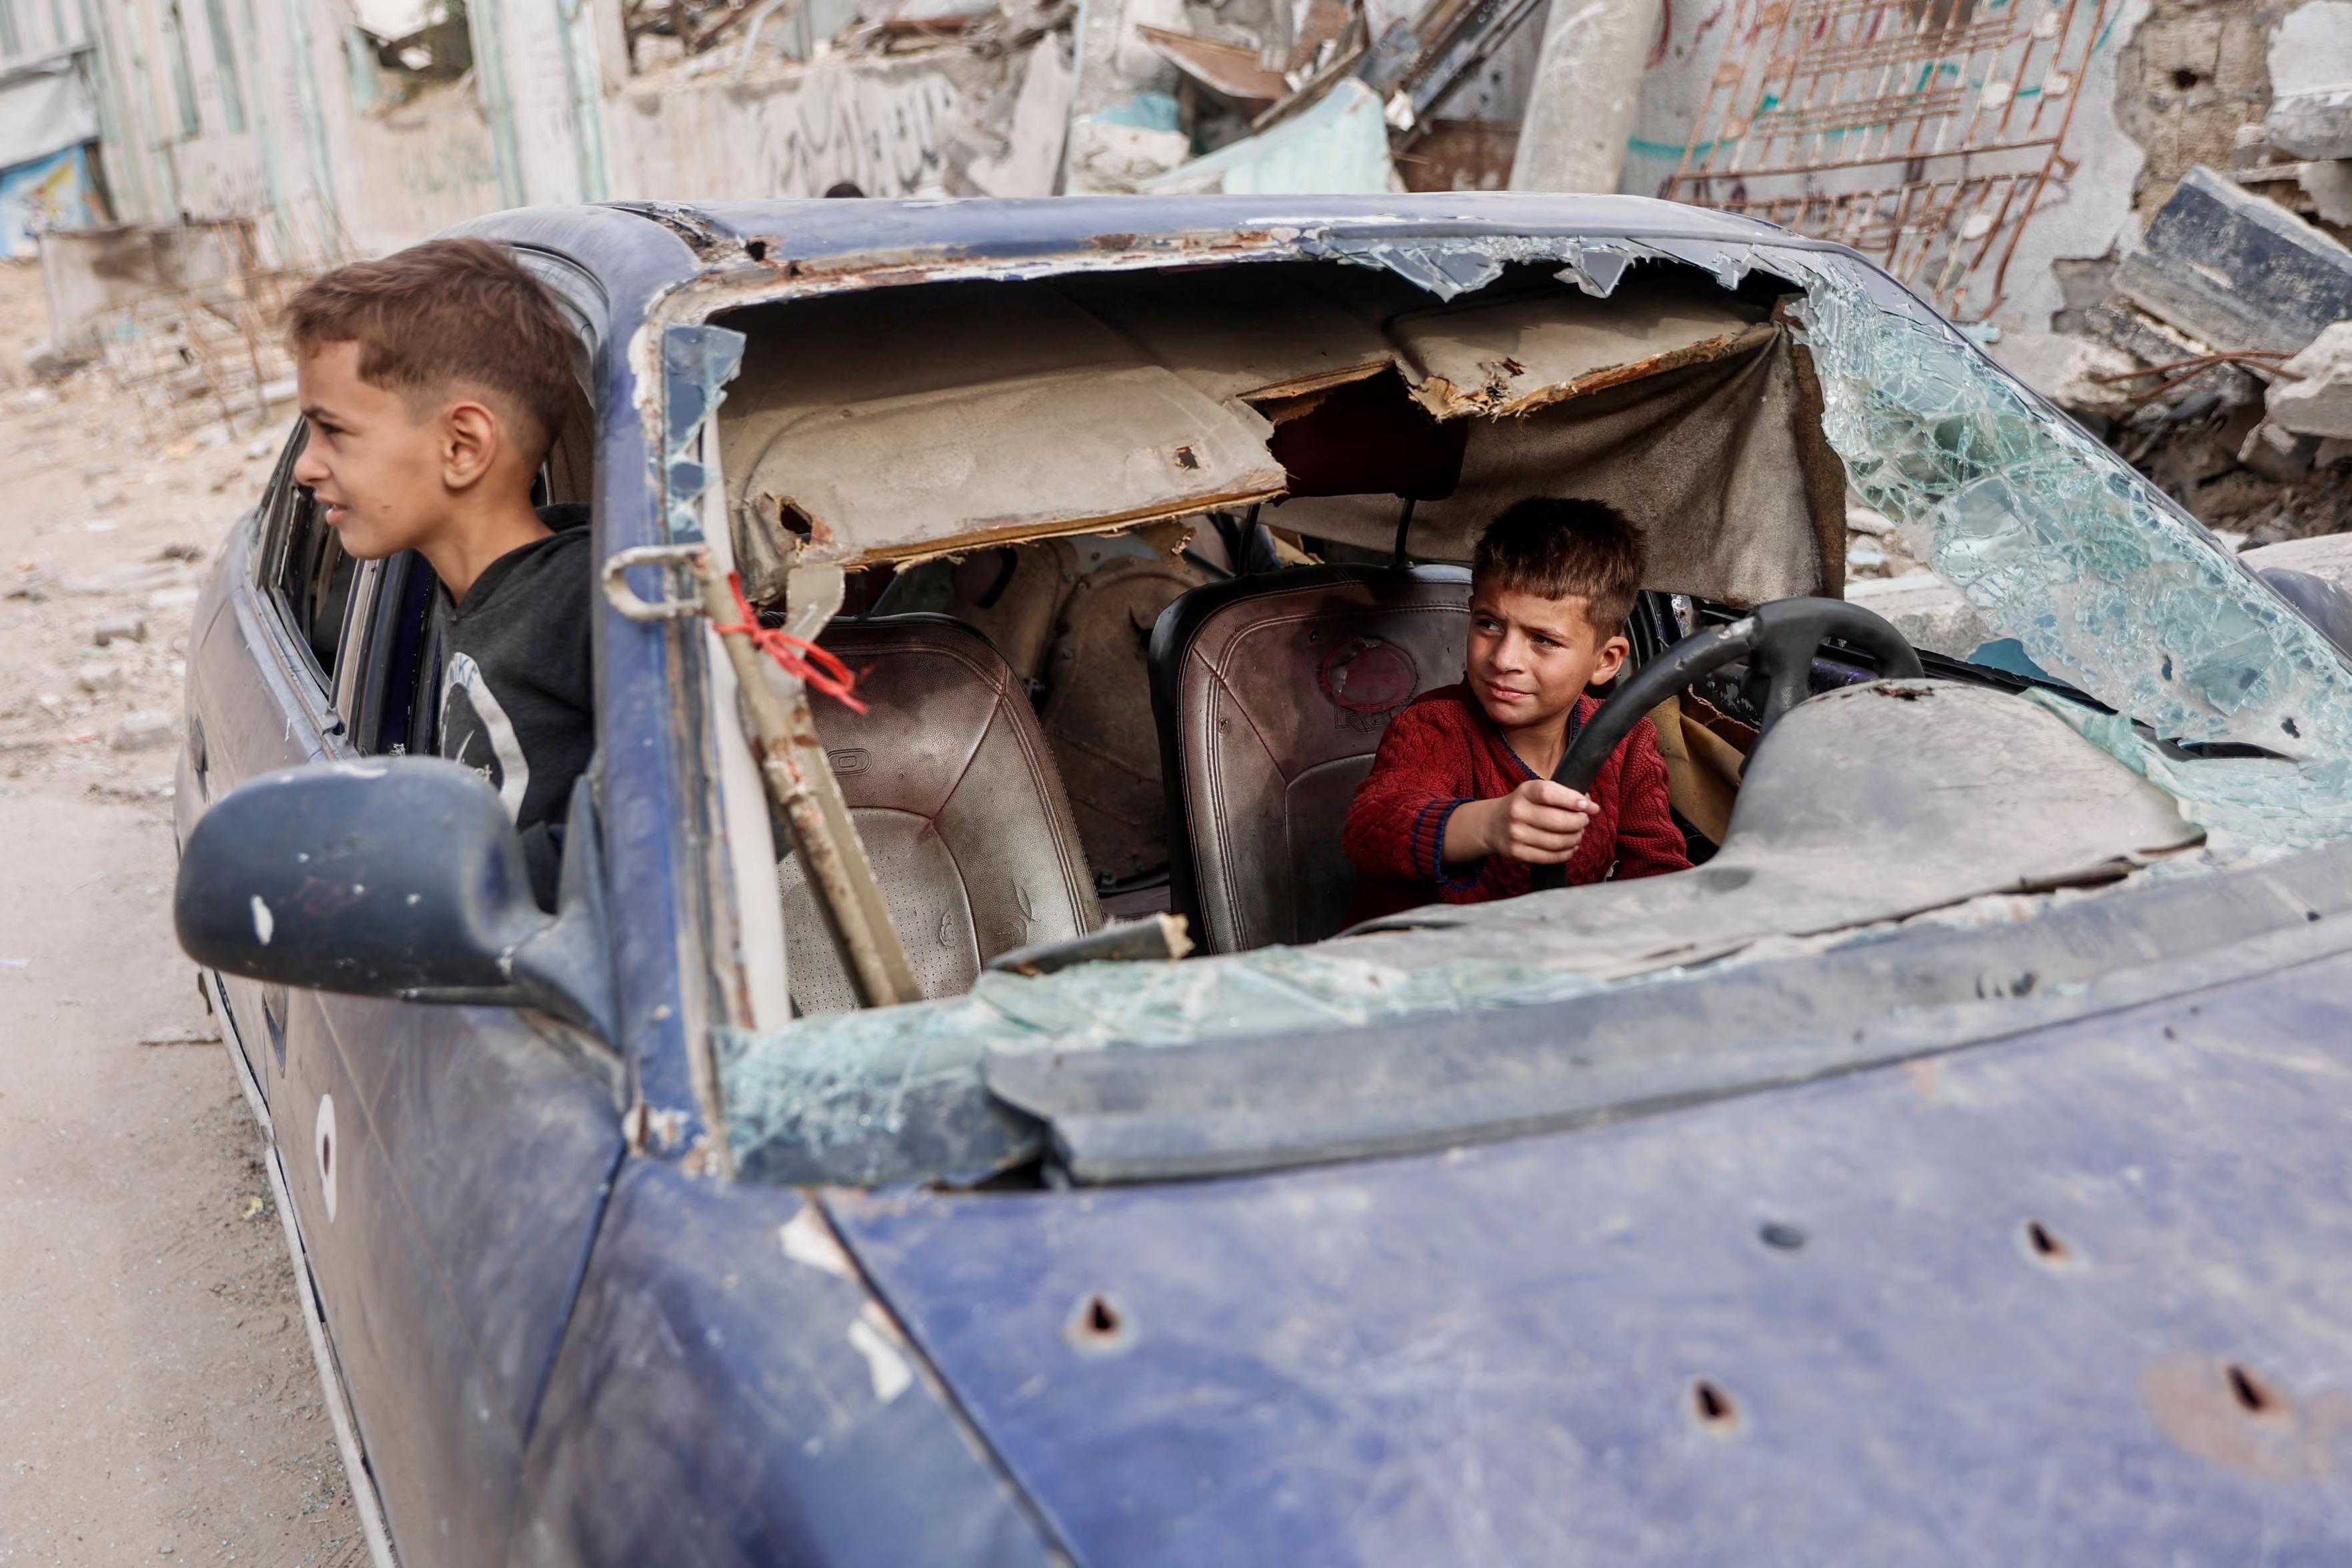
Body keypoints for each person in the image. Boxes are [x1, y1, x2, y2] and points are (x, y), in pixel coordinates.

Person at [285, 237, 592, 910]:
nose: (305, 467)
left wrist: (454, 887)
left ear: (462, 447)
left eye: (332, 432)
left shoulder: (593, 600)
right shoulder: (475, 595)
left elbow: (710, 820)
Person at [1342, 497, 1690, 921]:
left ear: (1606, 661)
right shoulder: (1435, 725)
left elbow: (1657, 871)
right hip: (1424, 967)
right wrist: (1488, 825)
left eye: (1543, 639)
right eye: (1489, 624)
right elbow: (1372, 827)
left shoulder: (1626, 743)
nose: (1504, 659)